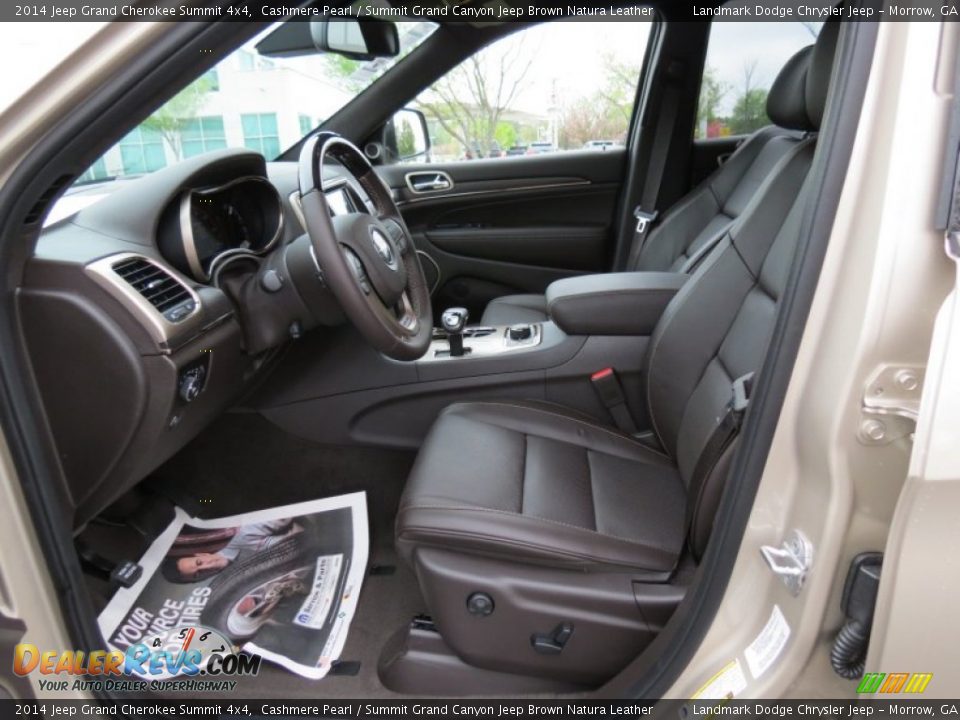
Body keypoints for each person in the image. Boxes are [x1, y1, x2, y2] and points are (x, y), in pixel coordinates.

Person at [161, 518, 302, 584]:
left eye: (199, 562)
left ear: (201, 554)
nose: (207, 566)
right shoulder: (229, 580)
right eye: (198, 573)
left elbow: (300, 538)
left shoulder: (241, 536)